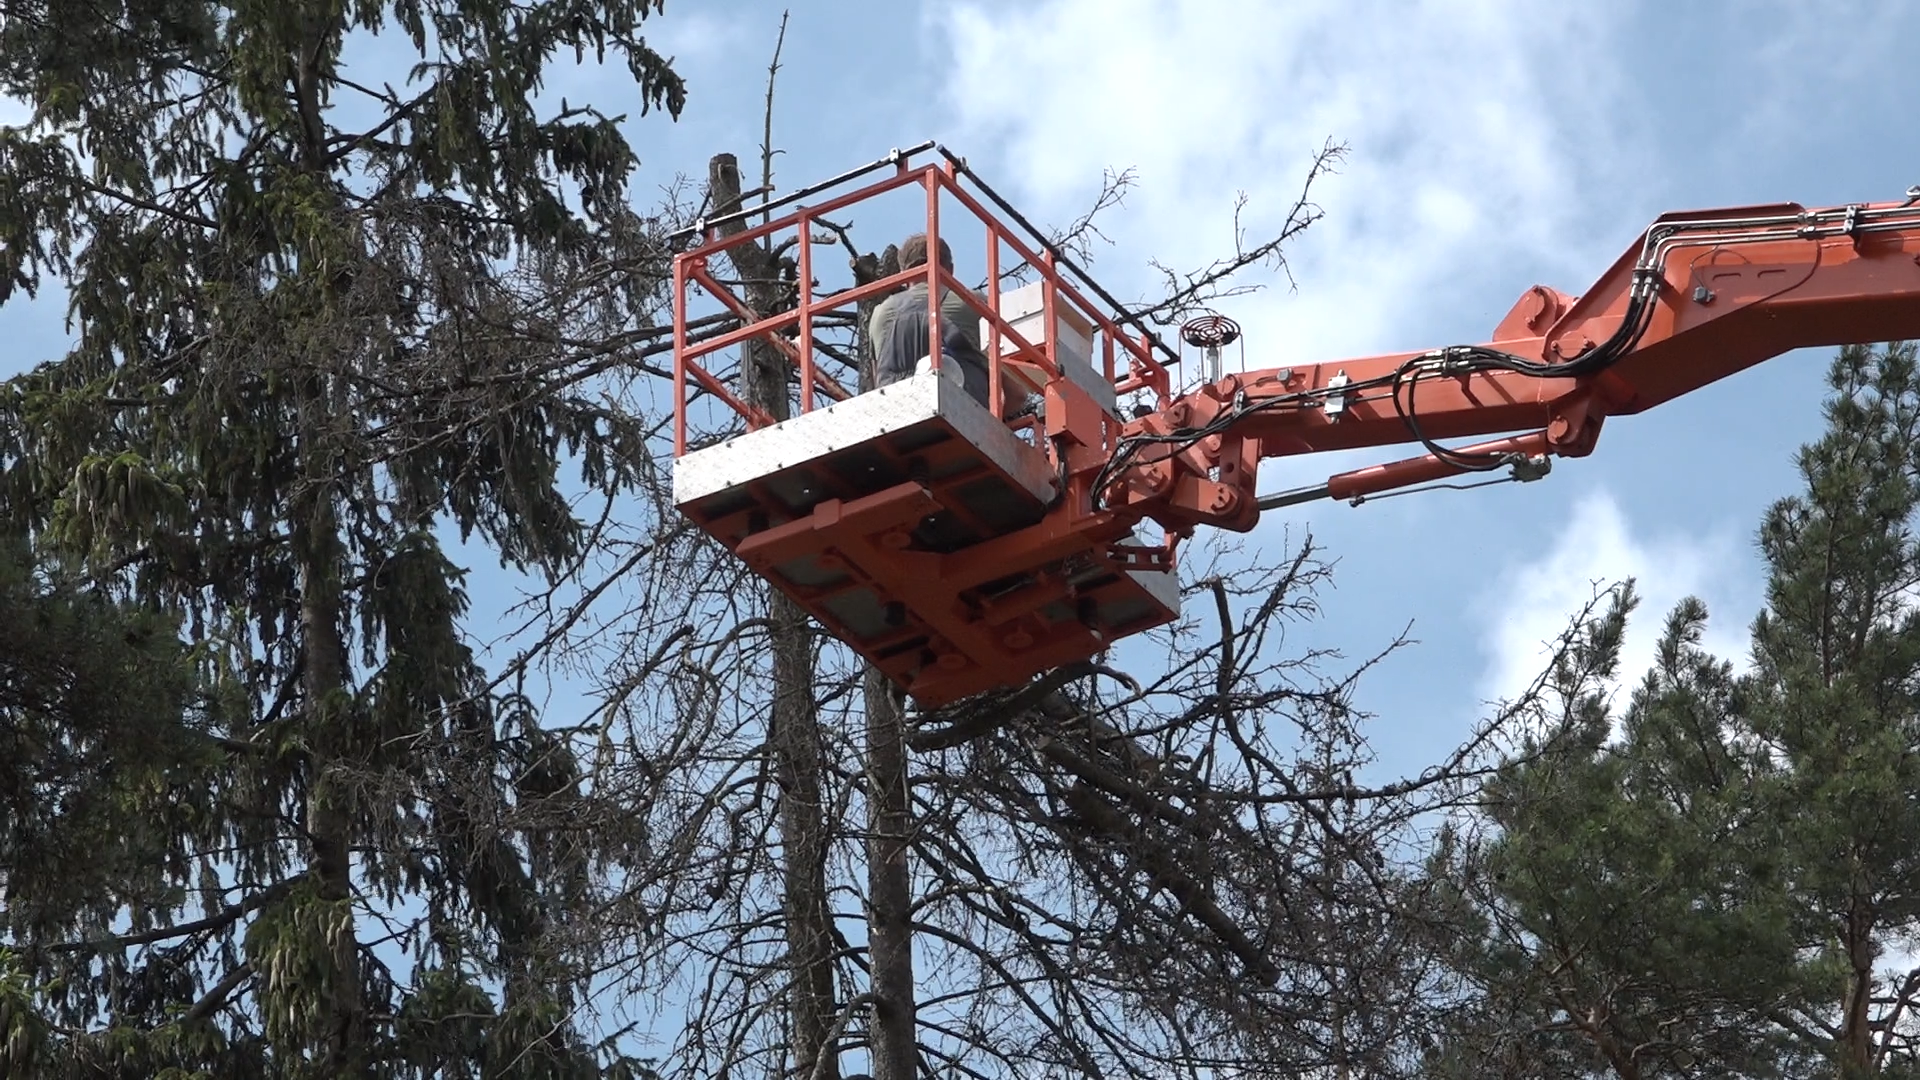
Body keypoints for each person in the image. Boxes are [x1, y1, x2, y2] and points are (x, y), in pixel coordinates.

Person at [868, 233, 994, 408]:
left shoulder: (879, 314)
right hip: (964, 407)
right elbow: (1015, 390)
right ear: (950, 270)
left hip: (893, 410)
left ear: (903, 273)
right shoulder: (975, 302)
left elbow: (877, 380)